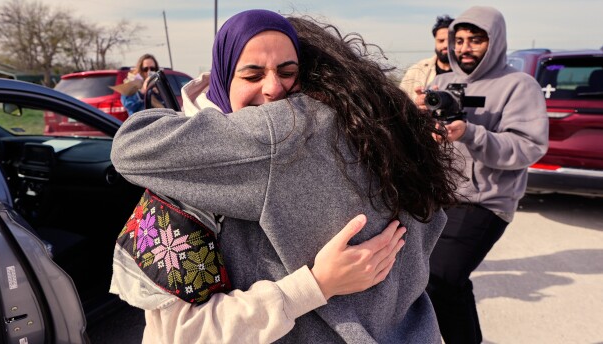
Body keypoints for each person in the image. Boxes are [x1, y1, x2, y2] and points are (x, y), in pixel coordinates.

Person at [112, 9, 460, 343]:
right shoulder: (384, 130)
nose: (273, 90)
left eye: (288, 71)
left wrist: (314, 287)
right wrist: (316, 284)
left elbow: (130, 145)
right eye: (251, 75)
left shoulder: (287, 130)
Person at [415, 6, 549, 344]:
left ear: (495, 41)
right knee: (446, 282)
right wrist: (419, 121)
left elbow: (529, 146)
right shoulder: (443, 82)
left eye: (476, 40)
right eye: (459, 41)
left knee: (440, 279)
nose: (464, 48)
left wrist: (471, 134)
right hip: (441, 194)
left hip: (486, 200)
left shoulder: (519, 86)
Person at [400, 15, 454, 102]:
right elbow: (400, 104)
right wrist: (418, 106)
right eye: (441, 41)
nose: (445, 45)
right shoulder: (416, 71)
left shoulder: (469, 73)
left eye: (450, 41)